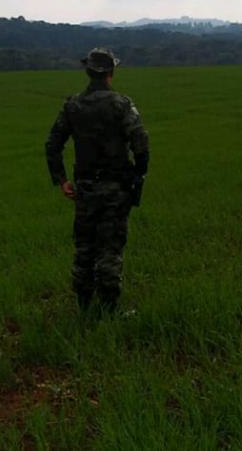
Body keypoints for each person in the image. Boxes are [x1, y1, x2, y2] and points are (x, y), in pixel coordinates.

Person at [45, 48, 149, 314]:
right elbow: (140, 142)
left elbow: (53, 144)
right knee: (110, 249)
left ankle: (84, 307)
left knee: (84, 248)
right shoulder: (122, 104)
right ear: (111, 74)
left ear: (88, 72)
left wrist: (62, 180)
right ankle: (109, 311)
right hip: (116, 187)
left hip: (85, 188)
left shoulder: (72, 106)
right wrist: (139, 173)